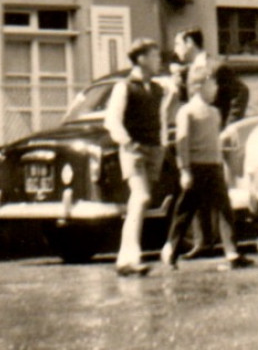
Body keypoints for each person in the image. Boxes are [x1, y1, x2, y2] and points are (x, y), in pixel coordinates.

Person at [164, 28, 249, 256]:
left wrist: (227, 125)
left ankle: (224, 248)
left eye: (178, 44)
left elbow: (241, 92)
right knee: (192, 198)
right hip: (193, 140)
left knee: (218, 198)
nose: (176, 50)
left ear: (190, 43)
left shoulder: (216, 67)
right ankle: (201, 242)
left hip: (213, 138)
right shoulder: (184, 72)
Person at [103, 39, 167, 276]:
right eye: (154, 55)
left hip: (153, 150)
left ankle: (127, 257)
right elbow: (112, 120)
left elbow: (160, 118)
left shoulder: (158, 88)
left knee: (139, 202)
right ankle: (129, 257)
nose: (159, 60)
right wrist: (128, 143)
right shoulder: (125, 86)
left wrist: (161, 143)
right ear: (141, 59)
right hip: (134, 149)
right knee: (140, 199)